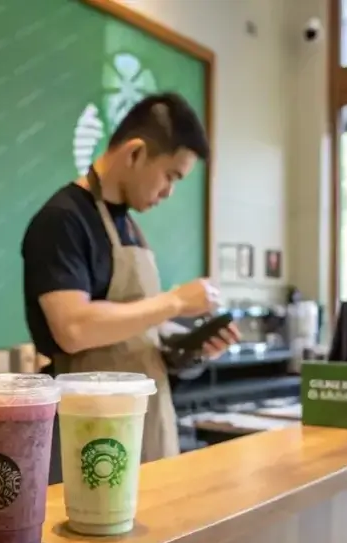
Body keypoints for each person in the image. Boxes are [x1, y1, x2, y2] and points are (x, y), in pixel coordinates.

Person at [21, 92, 239, 463]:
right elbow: (72, 329)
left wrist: (190, 350)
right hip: (93, 436)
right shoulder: (63, 220)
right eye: (170, 176)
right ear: (135, 153)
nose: (169, 192)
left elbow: (136, 337)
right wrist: (174, 302)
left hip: (149, 425)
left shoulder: (130, 227)